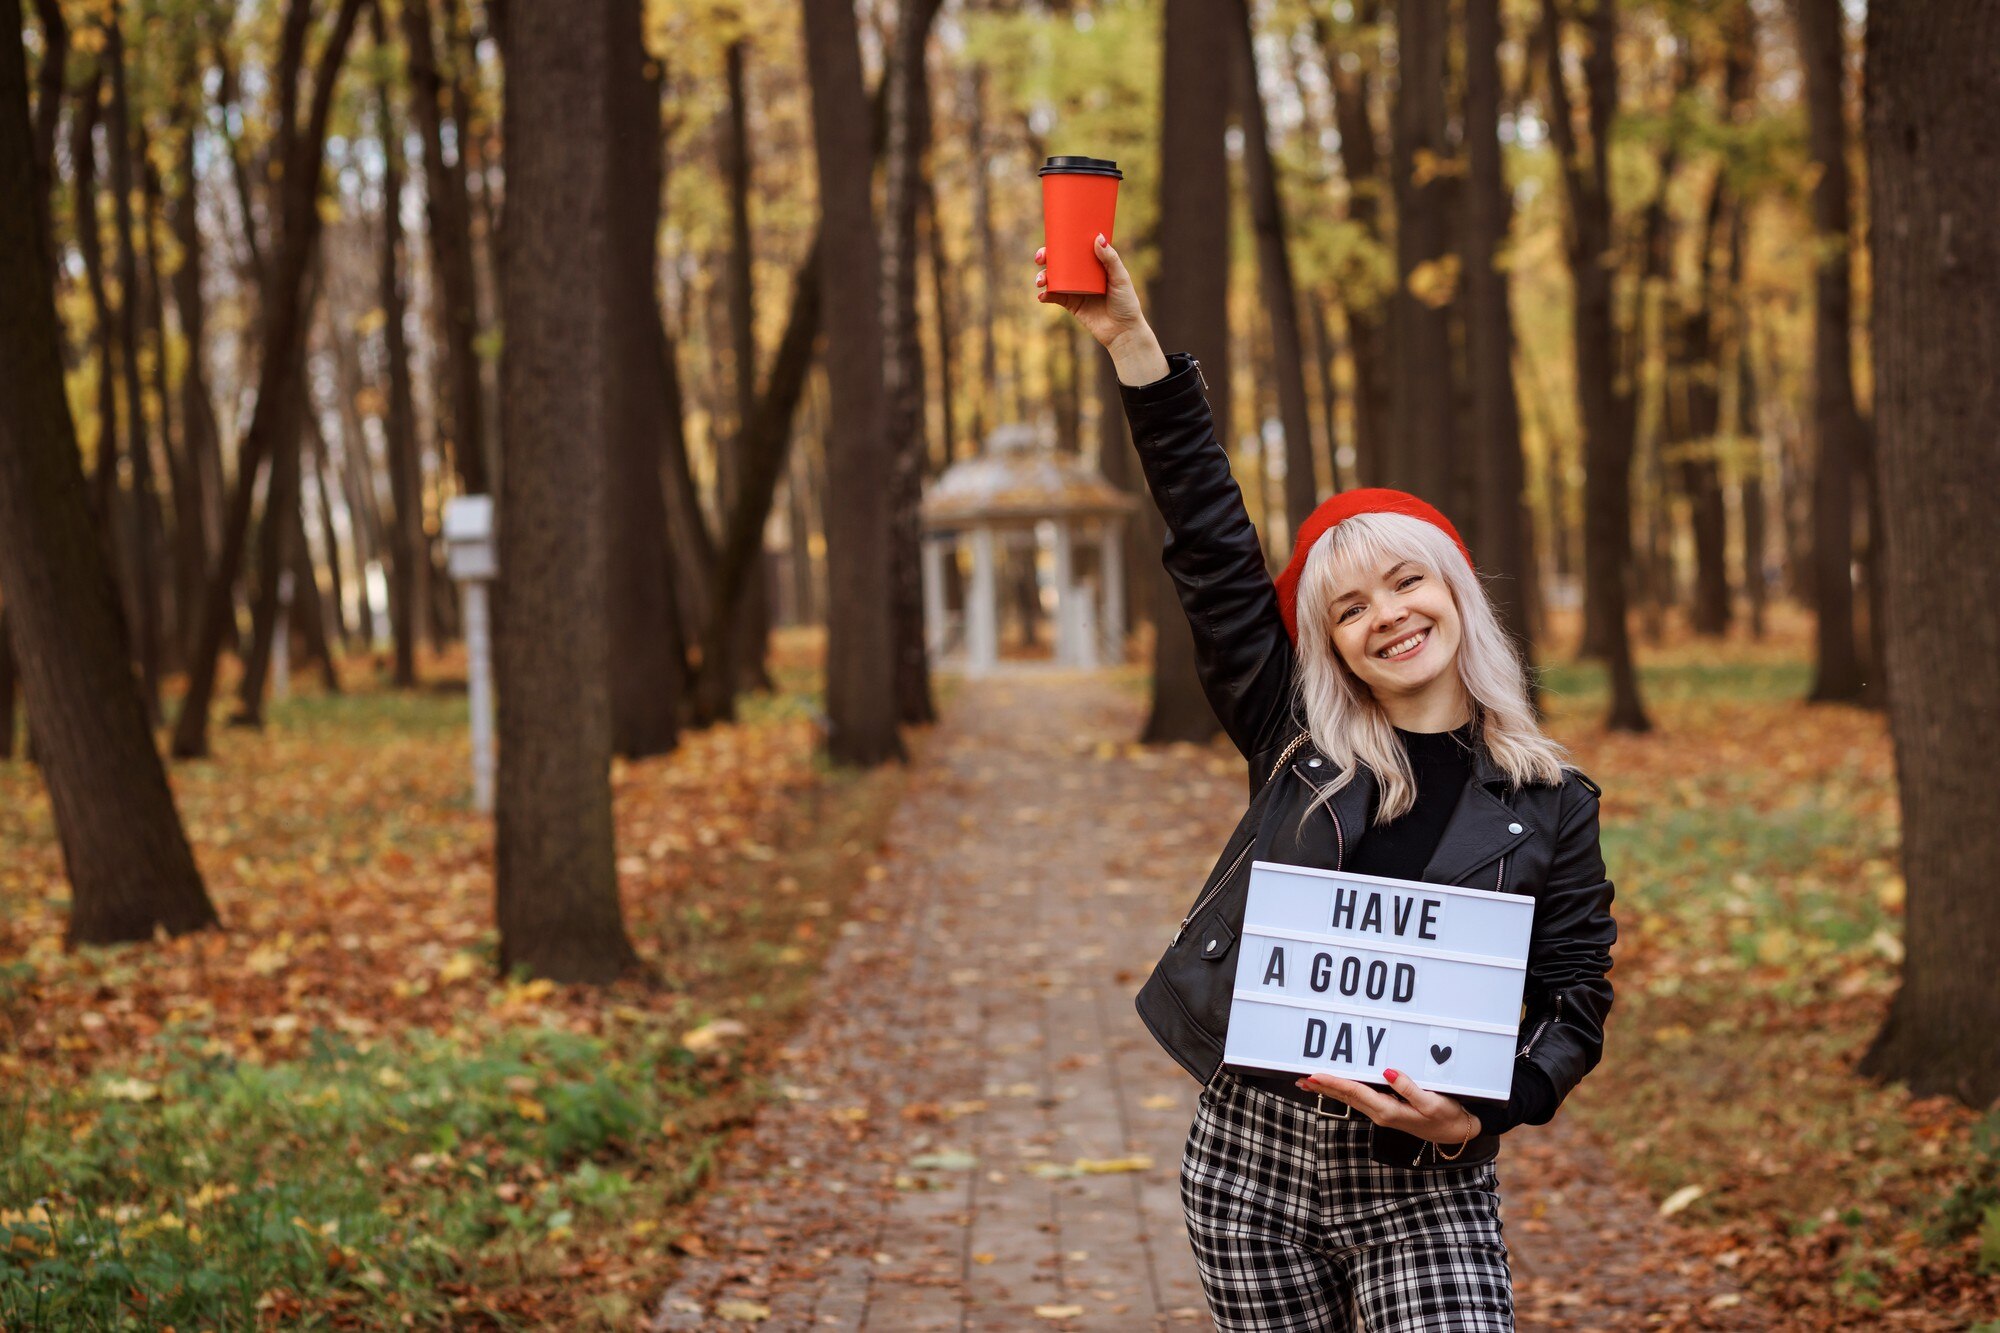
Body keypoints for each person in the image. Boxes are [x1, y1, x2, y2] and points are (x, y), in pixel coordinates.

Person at [1034, 235, 1618, 1331]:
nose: (1386, 616)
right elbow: (1212, 549)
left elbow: (1575, 993)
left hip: (1422, 1184)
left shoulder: (1551, 800)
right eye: (1348, 608)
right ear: (1331, 643)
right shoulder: (1295, 739)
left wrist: (1482, 1113)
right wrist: (1132, 344)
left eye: (1405, 582)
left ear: (1454, 592)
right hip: (1248, 1168)